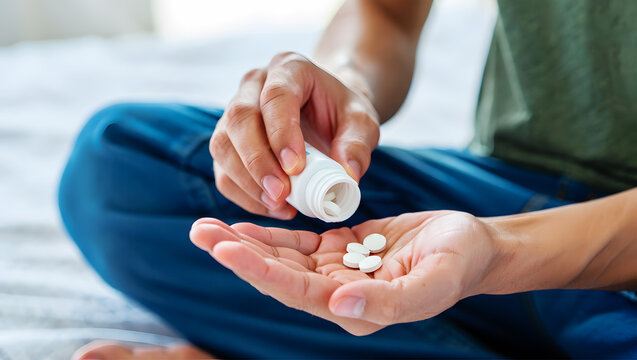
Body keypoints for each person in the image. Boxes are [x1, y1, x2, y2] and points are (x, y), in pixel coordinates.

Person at [60, 0, 637, 359]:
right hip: (508, 190)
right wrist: (344, 85)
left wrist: (499, 253)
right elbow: (385, 12)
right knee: (118, 163)